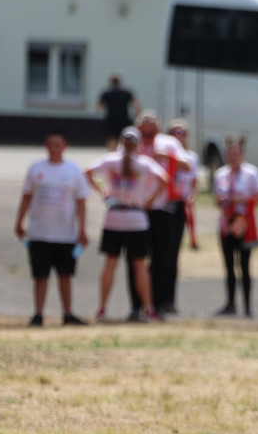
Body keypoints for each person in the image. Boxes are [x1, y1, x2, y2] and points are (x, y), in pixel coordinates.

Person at [86, 127, 168, 322]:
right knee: (140, 266)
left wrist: (102, 191)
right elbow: (164, 179)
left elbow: (87, 171)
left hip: (114, 217)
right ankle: (148, 309)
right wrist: (149, 200)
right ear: (138, 144)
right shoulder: (143, 162)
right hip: (136, 218)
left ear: (121, 142)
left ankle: (102, 309)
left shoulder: (111, 160)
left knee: (110, 264)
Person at [13, 130, 90, 327]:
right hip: (39, 232)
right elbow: (27, 196)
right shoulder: (36, 168)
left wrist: (82, 229)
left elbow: (81, 202)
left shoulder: (74, 170)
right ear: (46, 146)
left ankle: (68, 313)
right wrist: (19, 221)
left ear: (65, 147)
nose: (54, 148)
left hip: (65, 234)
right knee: (40, 275)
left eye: (58, 144)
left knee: (65, 274)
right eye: (51, 144)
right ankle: (38, 313)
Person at [130, 111, 192, 318]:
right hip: (137, 208)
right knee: (136, 258)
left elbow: (187, 166)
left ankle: (157, 303)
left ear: (158, 129)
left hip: (162, 208)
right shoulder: (131, 142)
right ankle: (137, 305)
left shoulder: (169, 143)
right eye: (144, 132)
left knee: (162, 258)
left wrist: (167, 157)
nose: (147, 137)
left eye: (151, 132)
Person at [213, 140, 258, 318]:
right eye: (230, 154)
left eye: (237, 154)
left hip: (243, 224)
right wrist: (222, 201)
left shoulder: (251, 173)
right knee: (228, 266)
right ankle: (230, 303)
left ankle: (248, 305)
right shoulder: (221, 174)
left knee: (244, 266)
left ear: (242, 155)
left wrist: (239, 200)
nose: (233, 157)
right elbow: (216, 199)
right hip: (227, 224)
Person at [166, 119, 201, 311]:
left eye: (182, 133)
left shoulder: (191, 157)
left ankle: (170, 300)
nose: (178, 136)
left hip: (180, 204)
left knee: (173, 255)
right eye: (174, 132)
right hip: (162, 205)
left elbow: (193, 184)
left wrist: (191, 196)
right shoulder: (163, 154)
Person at [96, 73, 141, 150]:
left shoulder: (107, 93)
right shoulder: (126, 92)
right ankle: (122, 153)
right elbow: (136, 106)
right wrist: (136, 116)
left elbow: (99, 107)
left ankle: (112, 153)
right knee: (124, 137)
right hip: (124, 119)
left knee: (111, 138)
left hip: (111, 119)